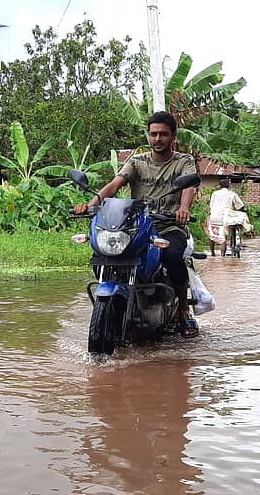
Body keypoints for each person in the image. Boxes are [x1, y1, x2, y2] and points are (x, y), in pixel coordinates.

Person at [73, 110, 201, 337]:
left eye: (163, 134)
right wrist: (91, 205)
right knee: (104, 255)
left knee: (172, 258)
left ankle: (182, 310)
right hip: (135, 225)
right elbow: (114, 185)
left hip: (168, 225)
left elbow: (188, 187)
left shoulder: (183, 161)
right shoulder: (137, 162)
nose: (157, 139)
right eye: (153, 134)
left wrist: (184, 208)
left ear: (173, 136)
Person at [206, 177, 247, 256]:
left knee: (212, 235)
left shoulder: (215, 193)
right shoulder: (232, 194)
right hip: (224, 217)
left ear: (220, 186)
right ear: (228, 185)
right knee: (222, 237)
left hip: (213, 216)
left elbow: (211, 206)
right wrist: (243, 210)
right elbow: (240, 205)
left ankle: (212, 253)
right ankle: (222, 257)